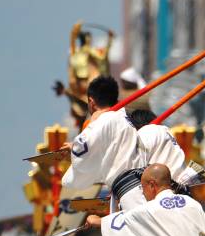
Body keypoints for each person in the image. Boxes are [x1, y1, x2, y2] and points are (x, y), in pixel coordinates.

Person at [60, 75, 145, 205]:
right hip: (137, 184)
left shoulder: (101, 121)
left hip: (127, 190)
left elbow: (82, 149)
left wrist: (73, 148)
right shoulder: (124, 117)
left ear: (91, 102)